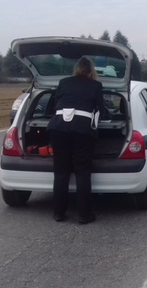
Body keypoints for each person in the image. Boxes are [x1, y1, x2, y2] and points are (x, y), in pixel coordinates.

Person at [47, 57, 106, 224]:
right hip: (82, 130)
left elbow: (54, 106)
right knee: (82, 172)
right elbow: (101, 110)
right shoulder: (96, 85)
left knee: (61, 172)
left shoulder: (64, 82)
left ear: (77, 69)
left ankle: (58, 213)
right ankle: (84, 215)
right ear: (90, 71)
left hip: (58, 128)